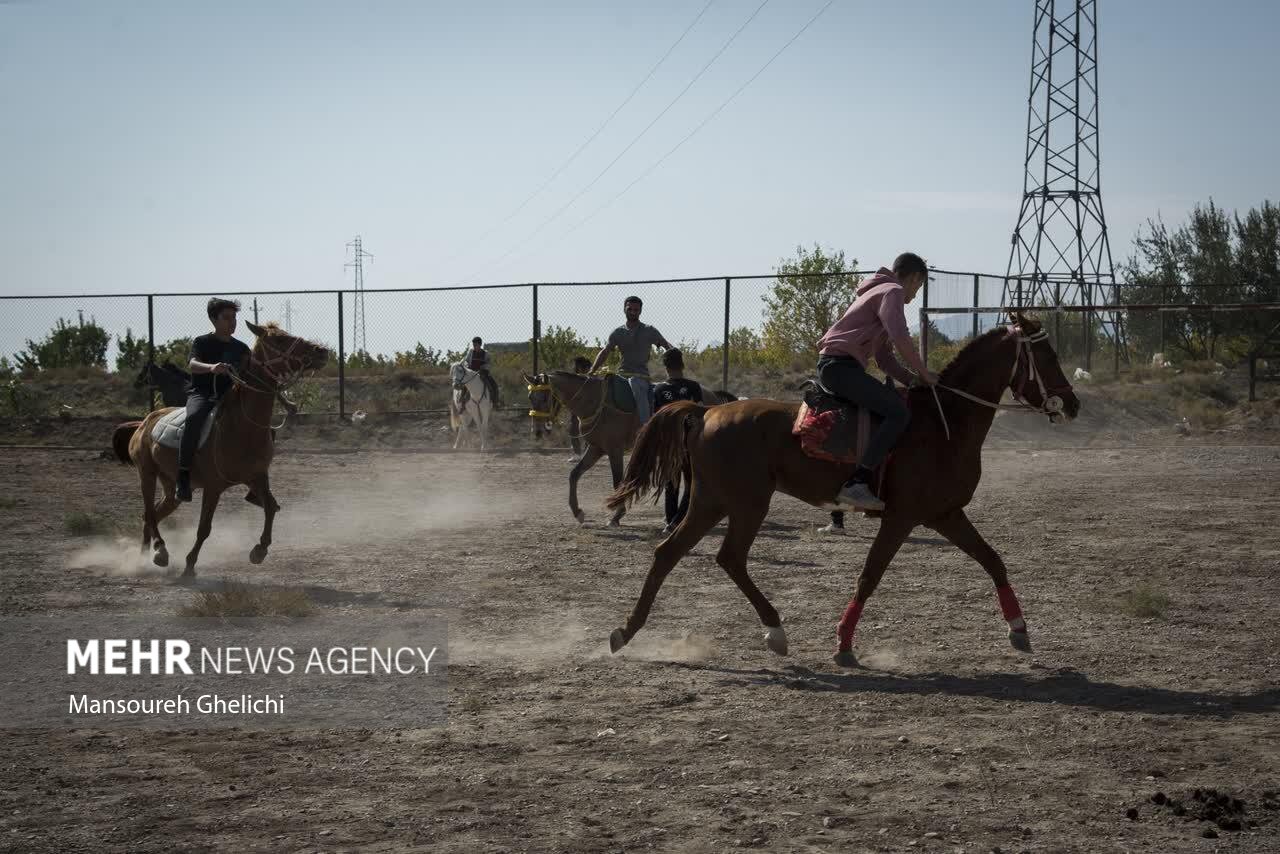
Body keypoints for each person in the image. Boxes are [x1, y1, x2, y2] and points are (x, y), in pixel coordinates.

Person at [817, 252, 938, 512]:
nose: (915, 294)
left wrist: (912, 379)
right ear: (915, 277)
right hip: (839, 367)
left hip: (838, 366)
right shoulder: (892, 291)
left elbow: (884, 360)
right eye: (918, 286)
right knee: (897, 412)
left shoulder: (878, 292)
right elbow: (901, 336)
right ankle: (857, 483)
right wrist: (926, 373)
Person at [178, 298, 253, 502]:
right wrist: (211, 367)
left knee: (259, 423)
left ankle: (256, 478)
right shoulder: (202, 342)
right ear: (213, 319)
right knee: (193, 418)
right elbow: (193, 364)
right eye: (226, 318)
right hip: (203, 394)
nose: (232, 322)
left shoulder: (242, 348)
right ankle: (183, 475)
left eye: (234, 317)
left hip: (232, 396)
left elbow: (255, 373)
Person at [589, 296, 672, 425]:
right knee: (604, 385)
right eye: (630, 309)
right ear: (624, 309)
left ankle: (645, 426)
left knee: (636, 383)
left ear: (640, 311)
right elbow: (605, 351)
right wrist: (592, 371)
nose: (633, 312)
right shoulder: (617, 332)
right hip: (622, 376)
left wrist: (675, 356)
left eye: (636, 310)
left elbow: (667, 346)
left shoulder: (649, 330)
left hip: (641, 377)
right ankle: (595, 429)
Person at [651, 348, 703, 531]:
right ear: (682, 364)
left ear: (665, 366)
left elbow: (655, 421)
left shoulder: (658, 390)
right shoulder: (694, 387)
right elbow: (701, 416)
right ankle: (676, 522)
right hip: (691, 443)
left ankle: (670, 521)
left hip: (669, 444)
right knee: (692, 485)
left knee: (671, 485)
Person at [568, 355, 592, 462]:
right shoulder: (574, 378)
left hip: (589, 409)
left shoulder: (591, 378)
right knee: (573, 429)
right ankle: (577, 454)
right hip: (576, 409)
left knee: (588, 431)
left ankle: (587, 454)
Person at [467, 336, 500, 407]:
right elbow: (466, 361)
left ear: (480, 345)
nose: (474, 347)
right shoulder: (470, 352)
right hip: (471, 374)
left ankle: (495, 401)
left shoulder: (486, 354)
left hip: (482, 373)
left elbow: (489, 364)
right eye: (473, 345)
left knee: (494, 385)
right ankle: (461, 403)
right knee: (461, 384)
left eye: (476, 345)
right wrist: (467, 367)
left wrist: (483, 367)